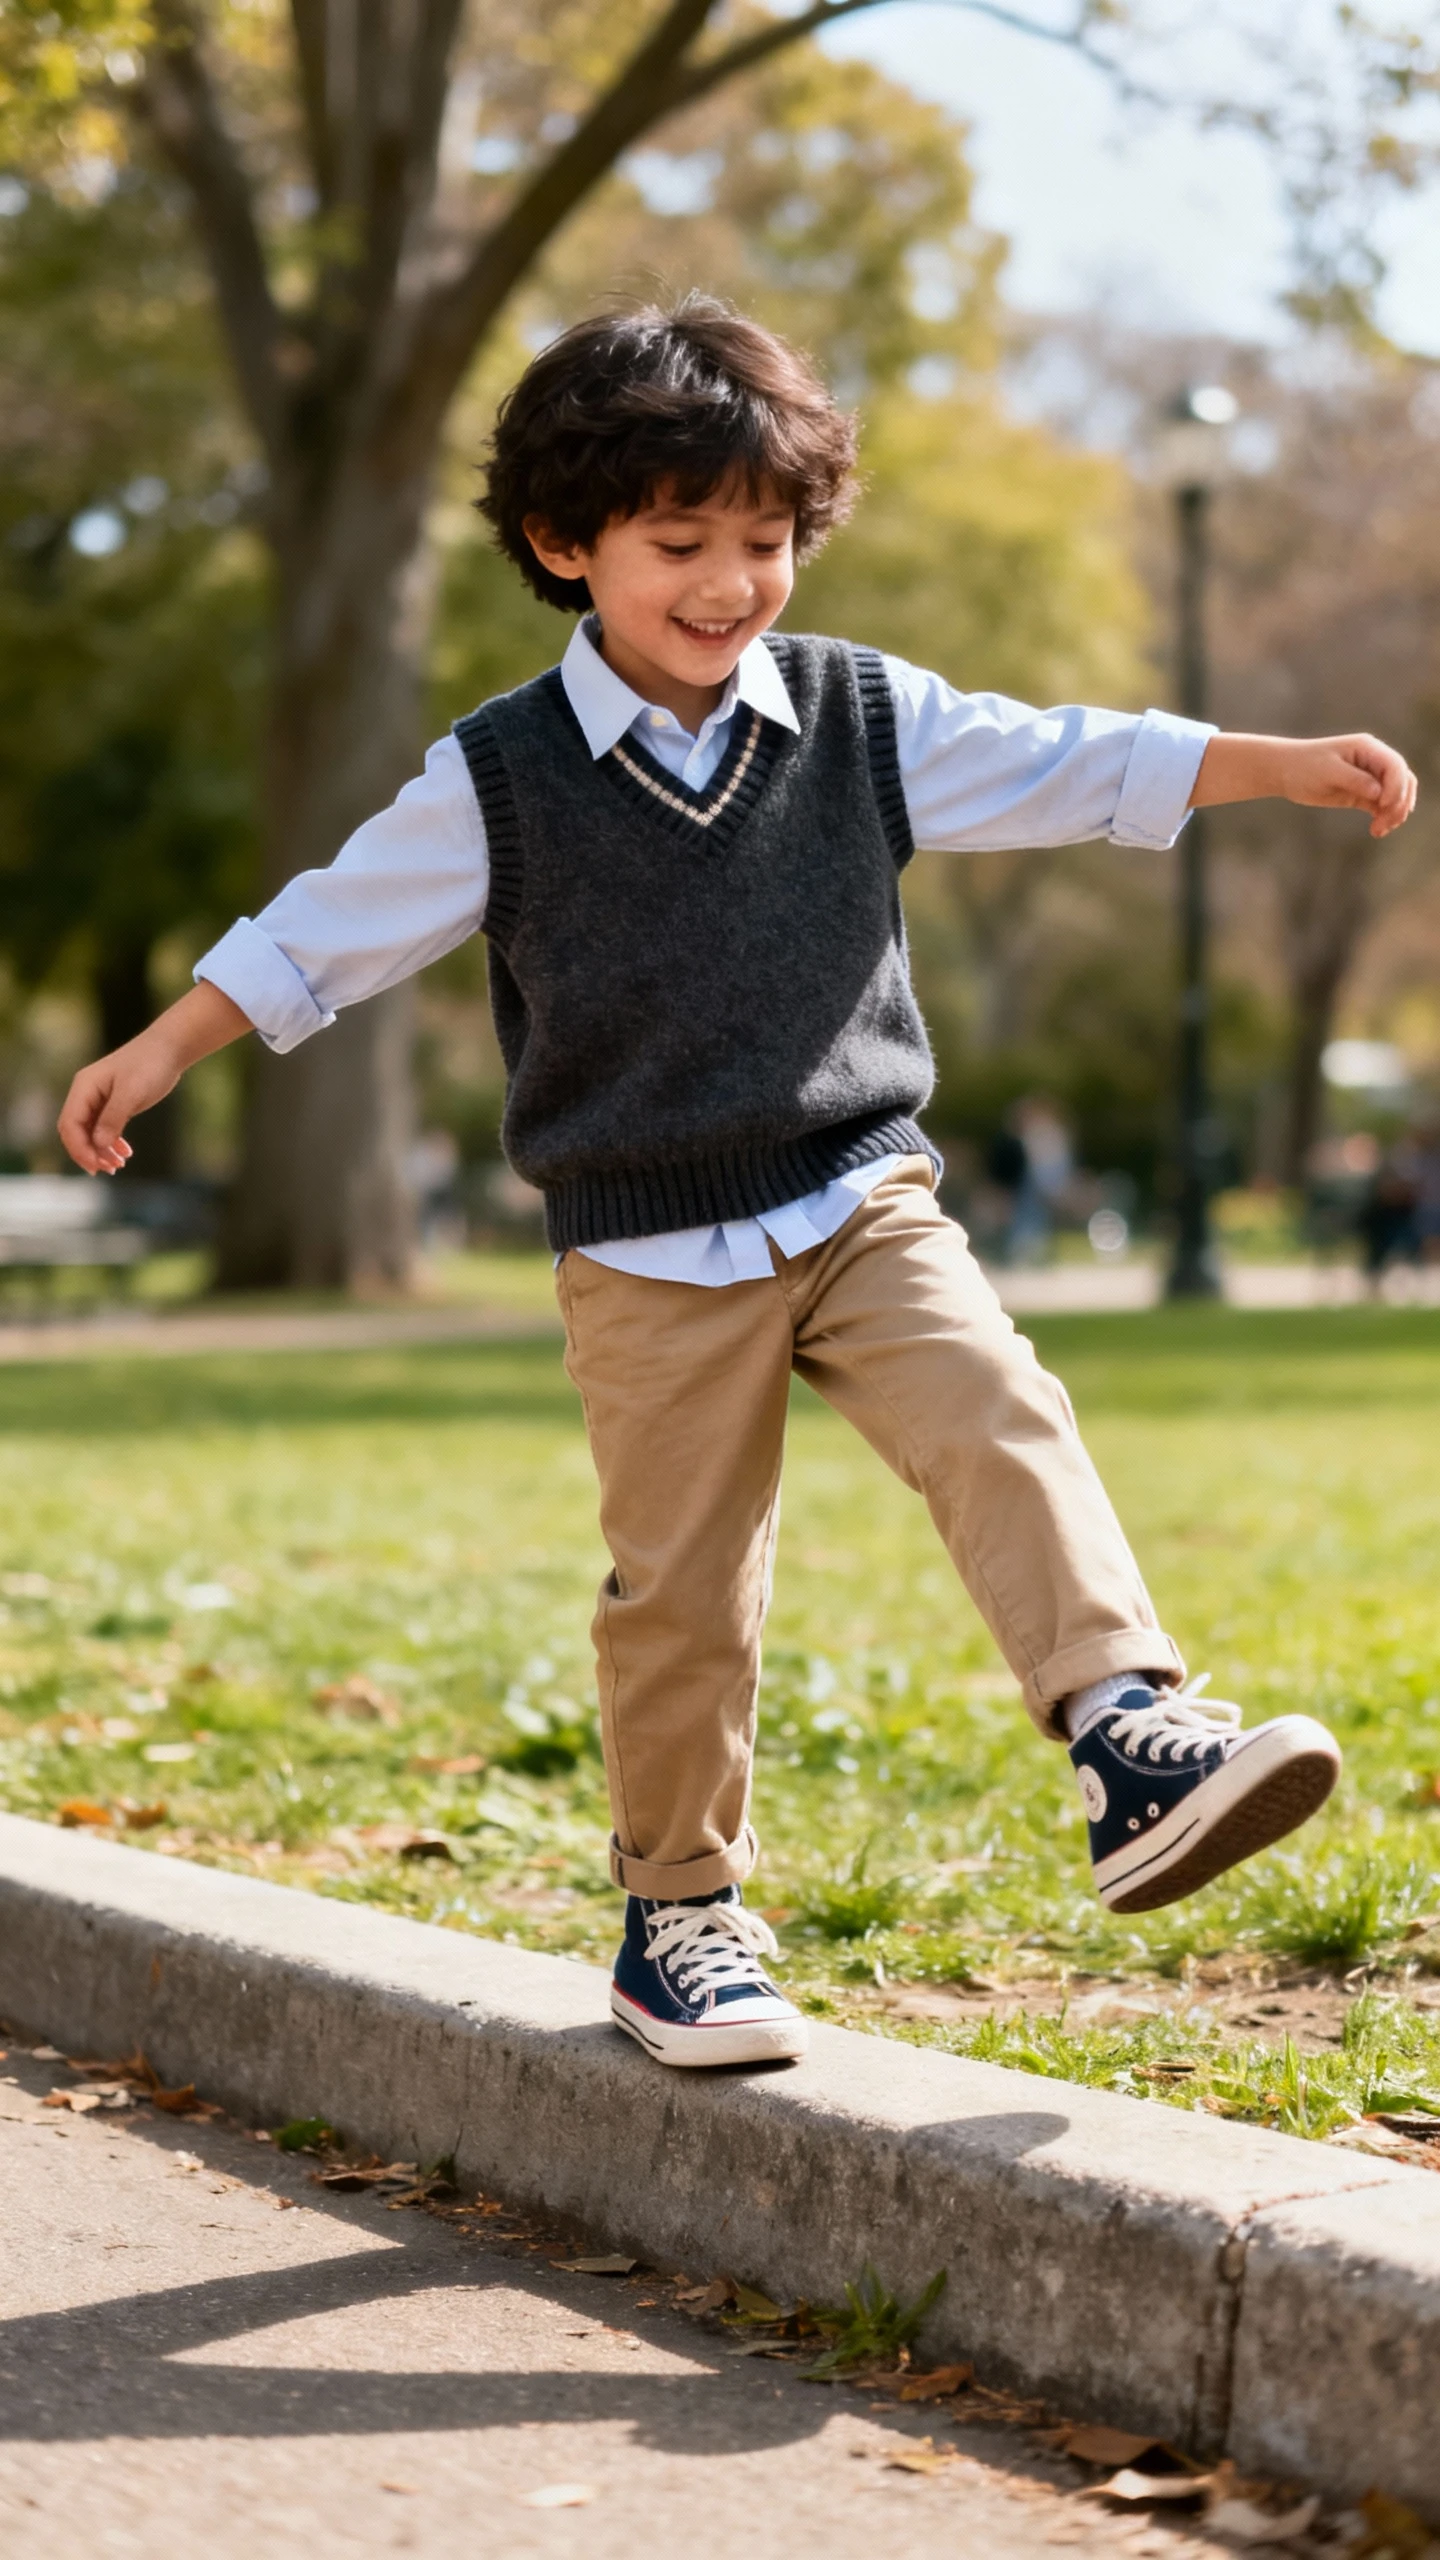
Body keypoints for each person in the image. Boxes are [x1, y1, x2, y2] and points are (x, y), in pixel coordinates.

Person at [59, 298, 1418, 2071]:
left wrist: (1270, 767)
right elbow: (334, 922)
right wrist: (160, 1051)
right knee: (685, 1594)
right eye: (679, 542)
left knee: (1000, 1406)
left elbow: (1071, 758)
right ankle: (681, 1917)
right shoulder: (501, 780)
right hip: (641, 1241)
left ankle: (1126, 1729)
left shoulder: (861, 716)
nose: (730, 582)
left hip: (857, 1190)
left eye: (765, 541)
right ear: (568, 546)